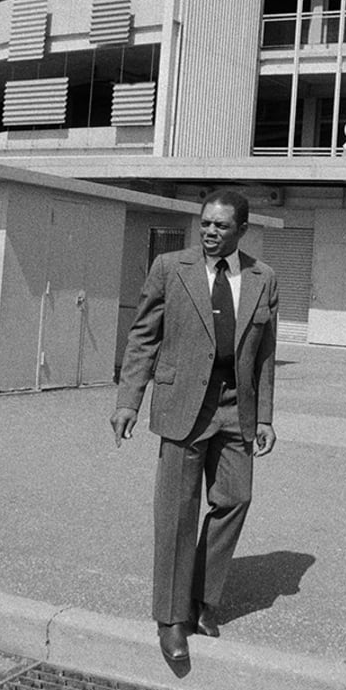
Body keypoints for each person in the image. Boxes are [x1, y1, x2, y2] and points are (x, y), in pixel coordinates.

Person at [110, 189, 278, 664]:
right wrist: (129, 401)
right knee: (177, 515)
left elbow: (265, 353)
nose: (209, 232)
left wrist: (264, 415)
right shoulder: (170, 268)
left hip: (234, 408)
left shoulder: (263, 278)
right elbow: (144, 335)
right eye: (205, 223)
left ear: (242, 230)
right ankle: (171, 620)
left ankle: (202, 598)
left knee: (235, 500)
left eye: (221, 226)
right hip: (183, 405)